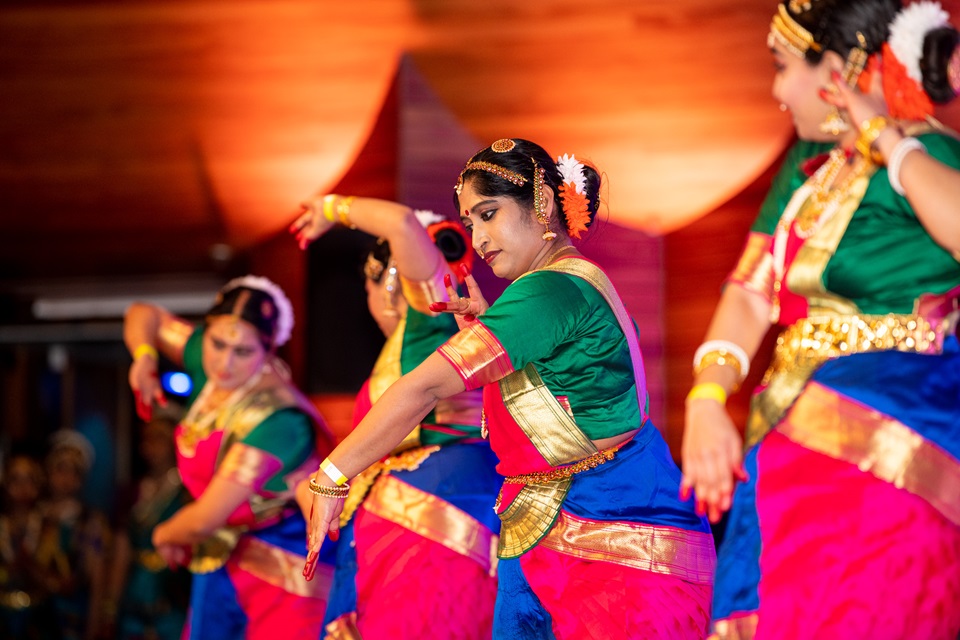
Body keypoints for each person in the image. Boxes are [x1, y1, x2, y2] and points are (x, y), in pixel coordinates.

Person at [302, 138, 716, 639]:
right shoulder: (567, 282)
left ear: (541, 203)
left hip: (609, 540)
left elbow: (426, 390)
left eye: (488, 213)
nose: (478, 238)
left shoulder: (550, 289)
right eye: (471, 222)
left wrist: (331, 476)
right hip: (560, 525)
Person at [680, 1, 960, 638]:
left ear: (836, 69)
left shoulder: (929, 157)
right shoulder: (807, 173)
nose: (777, 91)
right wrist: (705, 396)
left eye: (782, 67)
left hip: (884, 440)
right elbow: (752, 293)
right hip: (780, 438)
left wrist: (887, 140)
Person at [290, 198, 502, 638]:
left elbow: (402, 223)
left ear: (387, 282)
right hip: (414, 510)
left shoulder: (434, 316)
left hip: (435, 511)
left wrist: (331, 209)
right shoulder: (407, 344)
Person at [123, 275, 336, 640]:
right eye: (217, 344)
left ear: (269, 351)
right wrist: (144, 358)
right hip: (223, 553)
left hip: (283, 565)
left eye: (243, 352)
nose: (224, 362)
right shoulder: (206, 364)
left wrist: (163, 534)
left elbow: (205, 519)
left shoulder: (278, 418)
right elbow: (143, 314)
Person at [106, 410, 192, 640]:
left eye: (159, 438)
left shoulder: (187, 492)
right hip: (135, 588)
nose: (151, 446)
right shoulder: (132, 492)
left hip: (173, 591)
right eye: (147, 439)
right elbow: (122, 550)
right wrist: (111, 606)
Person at [37, 430, 110, 640]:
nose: (66, 479)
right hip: (35, 613)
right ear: (48, 472)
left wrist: (94, 626)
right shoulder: (36, 516)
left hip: (72, 614)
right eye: (60, 470)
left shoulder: (90, 521)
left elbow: (97, 579)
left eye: (75, 472)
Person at [0, 453, 60, 640]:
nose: (22, 488)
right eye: (15, 480)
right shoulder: (2, 525)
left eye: (29, 480)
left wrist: (34, 570)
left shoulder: (49, 527)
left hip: (38, 616)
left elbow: (61, 579)